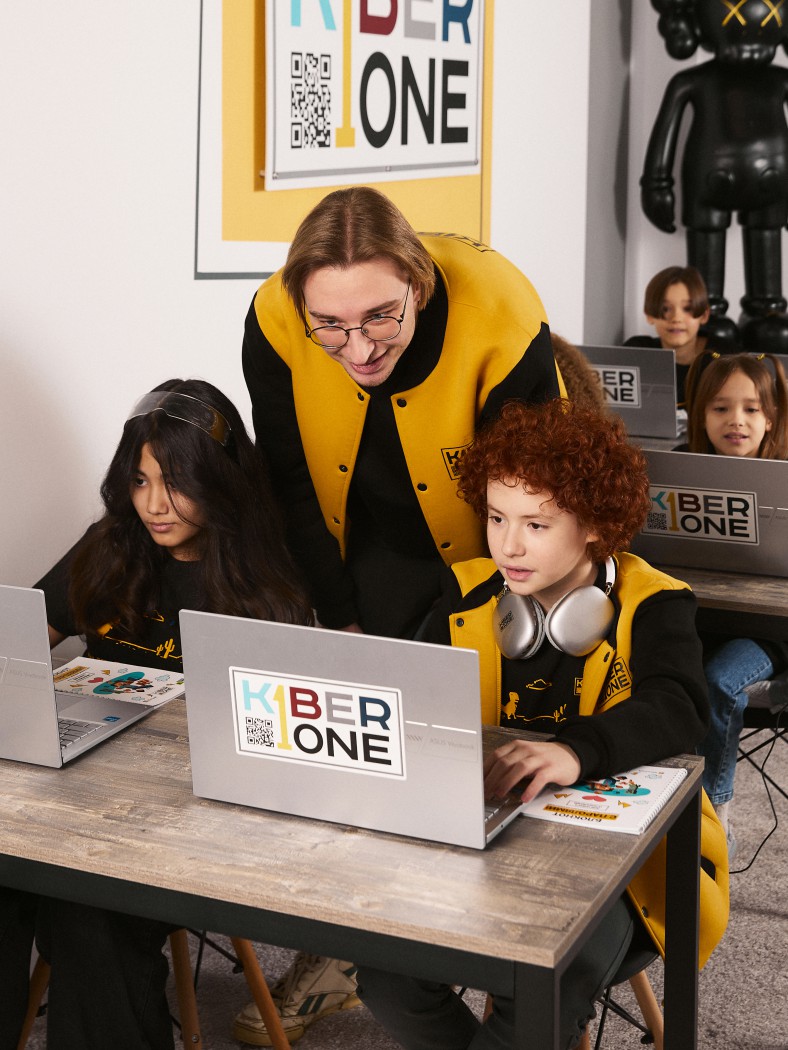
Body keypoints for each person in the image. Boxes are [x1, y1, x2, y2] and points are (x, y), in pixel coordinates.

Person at [237, 185, 562, 1041]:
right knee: (364, 752)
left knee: (481, 746)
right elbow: (289, 479)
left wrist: (474, 626)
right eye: (331, 327)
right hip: (362, 541)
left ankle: (507, 953)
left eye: (380, 316)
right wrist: (338, 615)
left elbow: (536, 507)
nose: (357, 346)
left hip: (489, 545)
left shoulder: (501, 312)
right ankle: (356, 947)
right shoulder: (274, 318)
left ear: (417, 284)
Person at [355, 399, 729, 1050]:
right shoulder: (466, 594)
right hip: (488, 844)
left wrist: (576, 753)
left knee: (541, 985)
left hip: (628, 871)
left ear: (594, 524)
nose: (508, 544)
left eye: (536, 523)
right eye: (497, 517)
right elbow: (412, 703)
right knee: (386, 977)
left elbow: (679, 705)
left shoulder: (654, 601)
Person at [1, 379, 312, 1050]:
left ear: (219, 481)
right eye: (139, 481)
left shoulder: (267, 579)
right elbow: (21, 640)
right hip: (81, 798)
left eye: (175, 483)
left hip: (191, 821)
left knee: (87, 917)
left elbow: (276, 743)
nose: (153, 504)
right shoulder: (111, 543)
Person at [683, 352, 788, 847]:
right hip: (699, 619)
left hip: (769, 633)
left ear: (771, 418)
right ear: (700, 415)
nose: (736, 421)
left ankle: (711, 814)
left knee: (719, 680)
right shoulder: (678, 474)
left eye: (751, 409)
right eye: (721, 408)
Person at [624, 265, 715, 411]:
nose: (676, 318)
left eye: (687, 309)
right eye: (665, 309)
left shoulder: (724, 356)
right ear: (649, 315)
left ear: (704, 315)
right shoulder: (635, 353)